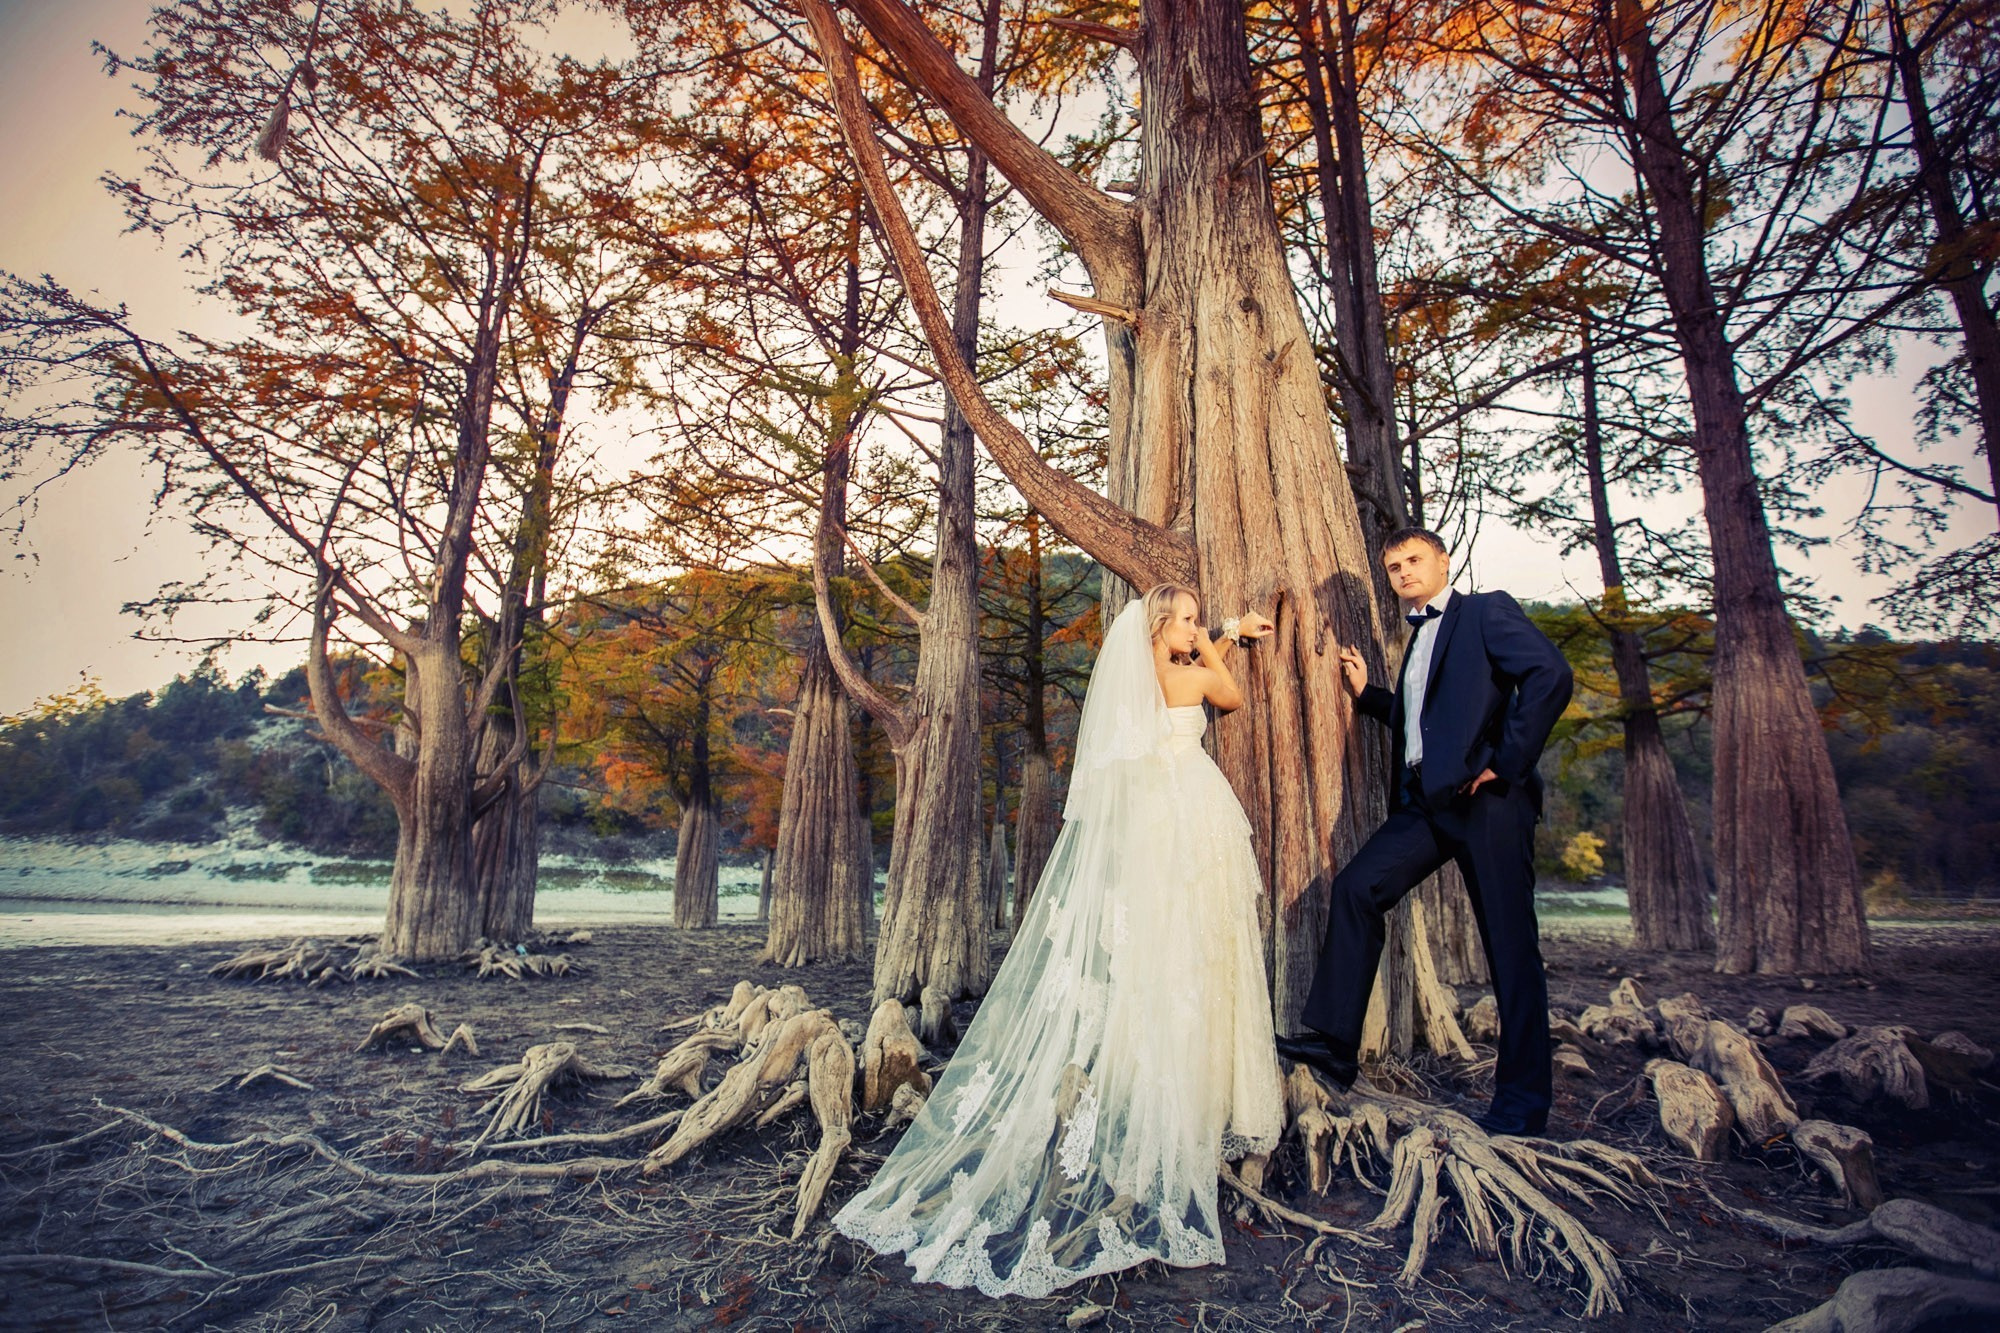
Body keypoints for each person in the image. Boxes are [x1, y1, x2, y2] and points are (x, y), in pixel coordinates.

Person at [833, 585, 1285, 1297]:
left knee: (1170, 952)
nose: (1199, 629)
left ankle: (1161, 1077)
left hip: (1156, 829)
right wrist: (1221, 642)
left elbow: (1183, 679)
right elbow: (1224, 696)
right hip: (1193, 818)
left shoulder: (1139, 681)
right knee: (1199, 949)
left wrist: (1217, 630)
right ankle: (1191, 1088)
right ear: (1167, 628)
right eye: (1189, 619)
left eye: (1199, 621)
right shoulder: (1194, 667)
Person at [1277, 529, 1574, 1137]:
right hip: (1425, 804)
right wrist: (1368, 697)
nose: (1404, 572)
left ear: (1443, 562)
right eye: (1393, 567)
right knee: (1358, 887)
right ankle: (1335, 1043)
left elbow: (1550, 675)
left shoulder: (1486, 611)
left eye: (1414, 560)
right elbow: (1424, 724)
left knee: (1510, 951)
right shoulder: (1417, 640)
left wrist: (1505, 762)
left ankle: (1522, 1105)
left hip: (1489, 803)